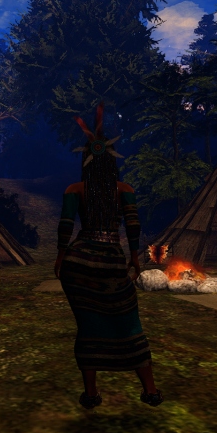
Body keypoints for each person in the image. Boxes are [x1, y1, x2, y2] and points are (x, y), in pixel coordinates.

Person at [54, 103, 164, 410]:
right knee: (128, 323)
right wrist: (135, 258)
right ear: (111, 160)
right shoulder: (124, 189)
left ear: (86, 160)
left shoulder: (74, 189)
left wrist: (61, 258)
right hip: (111, 262)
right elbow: (133, 225)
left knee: (89, 326)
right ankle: (150, 390)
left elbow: (65, 226)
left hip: (78, 263)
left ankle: (91, 395)